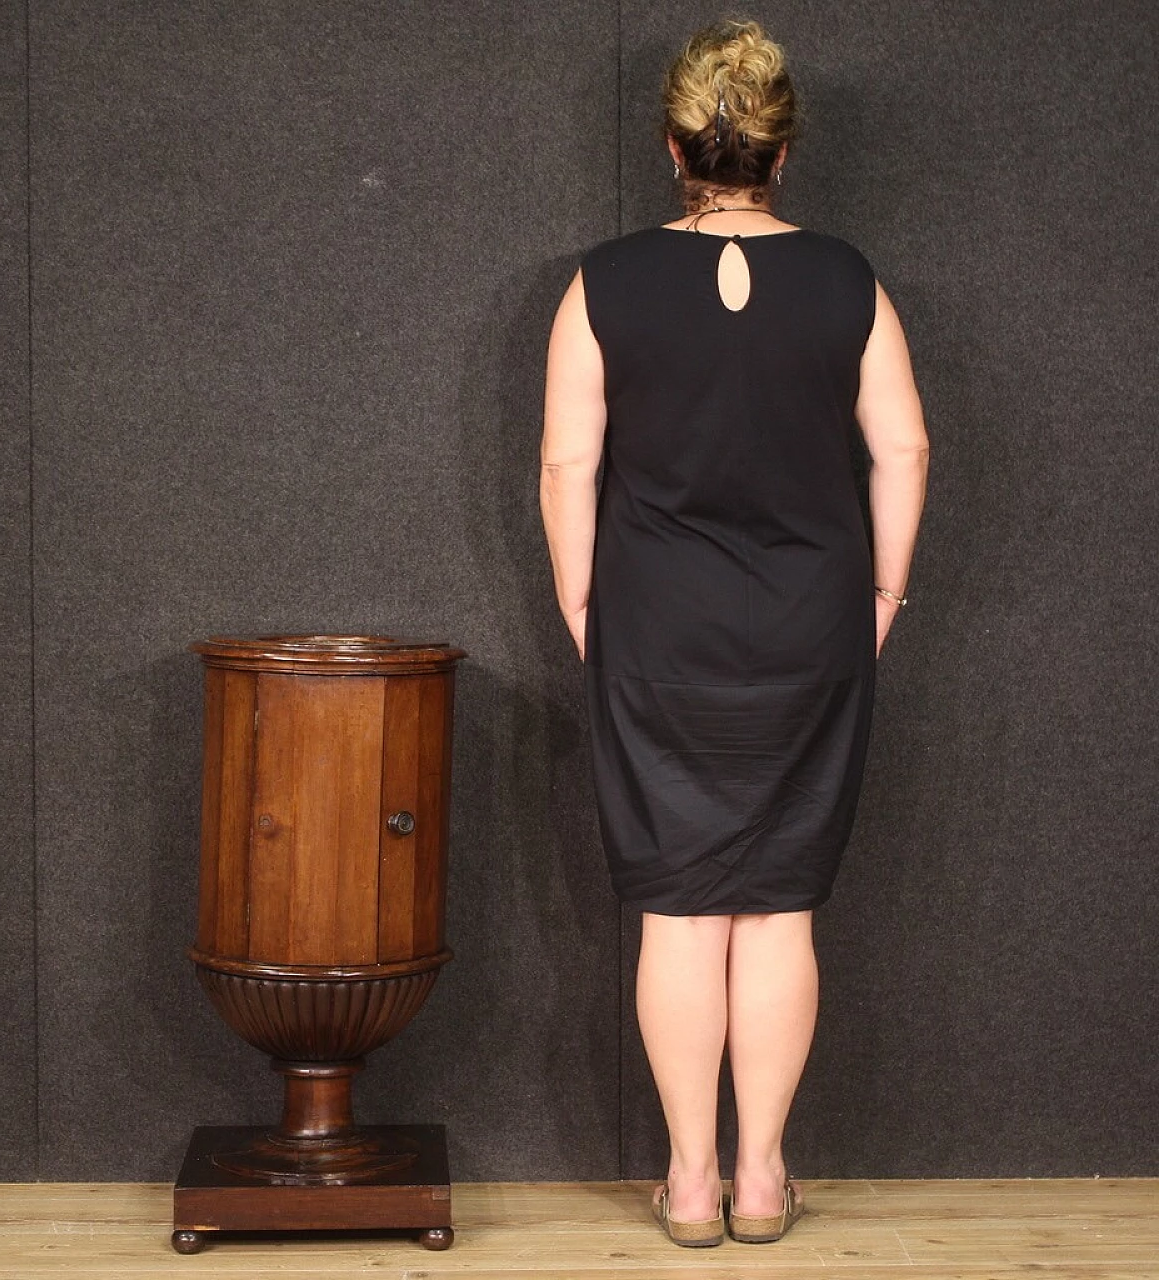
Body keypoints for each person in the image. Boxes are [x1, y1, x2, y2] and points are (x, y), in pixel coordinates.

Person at [539, 15, 929, 1248]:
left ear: (670, 147)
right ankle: (764, 1177)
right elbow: (903, 447)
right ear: (780, 156)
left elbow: (566, 460)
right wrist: (880, 595)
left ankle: (691, 1181)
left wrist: (581, 600)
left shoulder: (600, 282)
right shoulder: (847, 279)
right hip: (812, 624)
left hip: (654, 624)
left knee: (678, 906)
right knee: (775, 906)